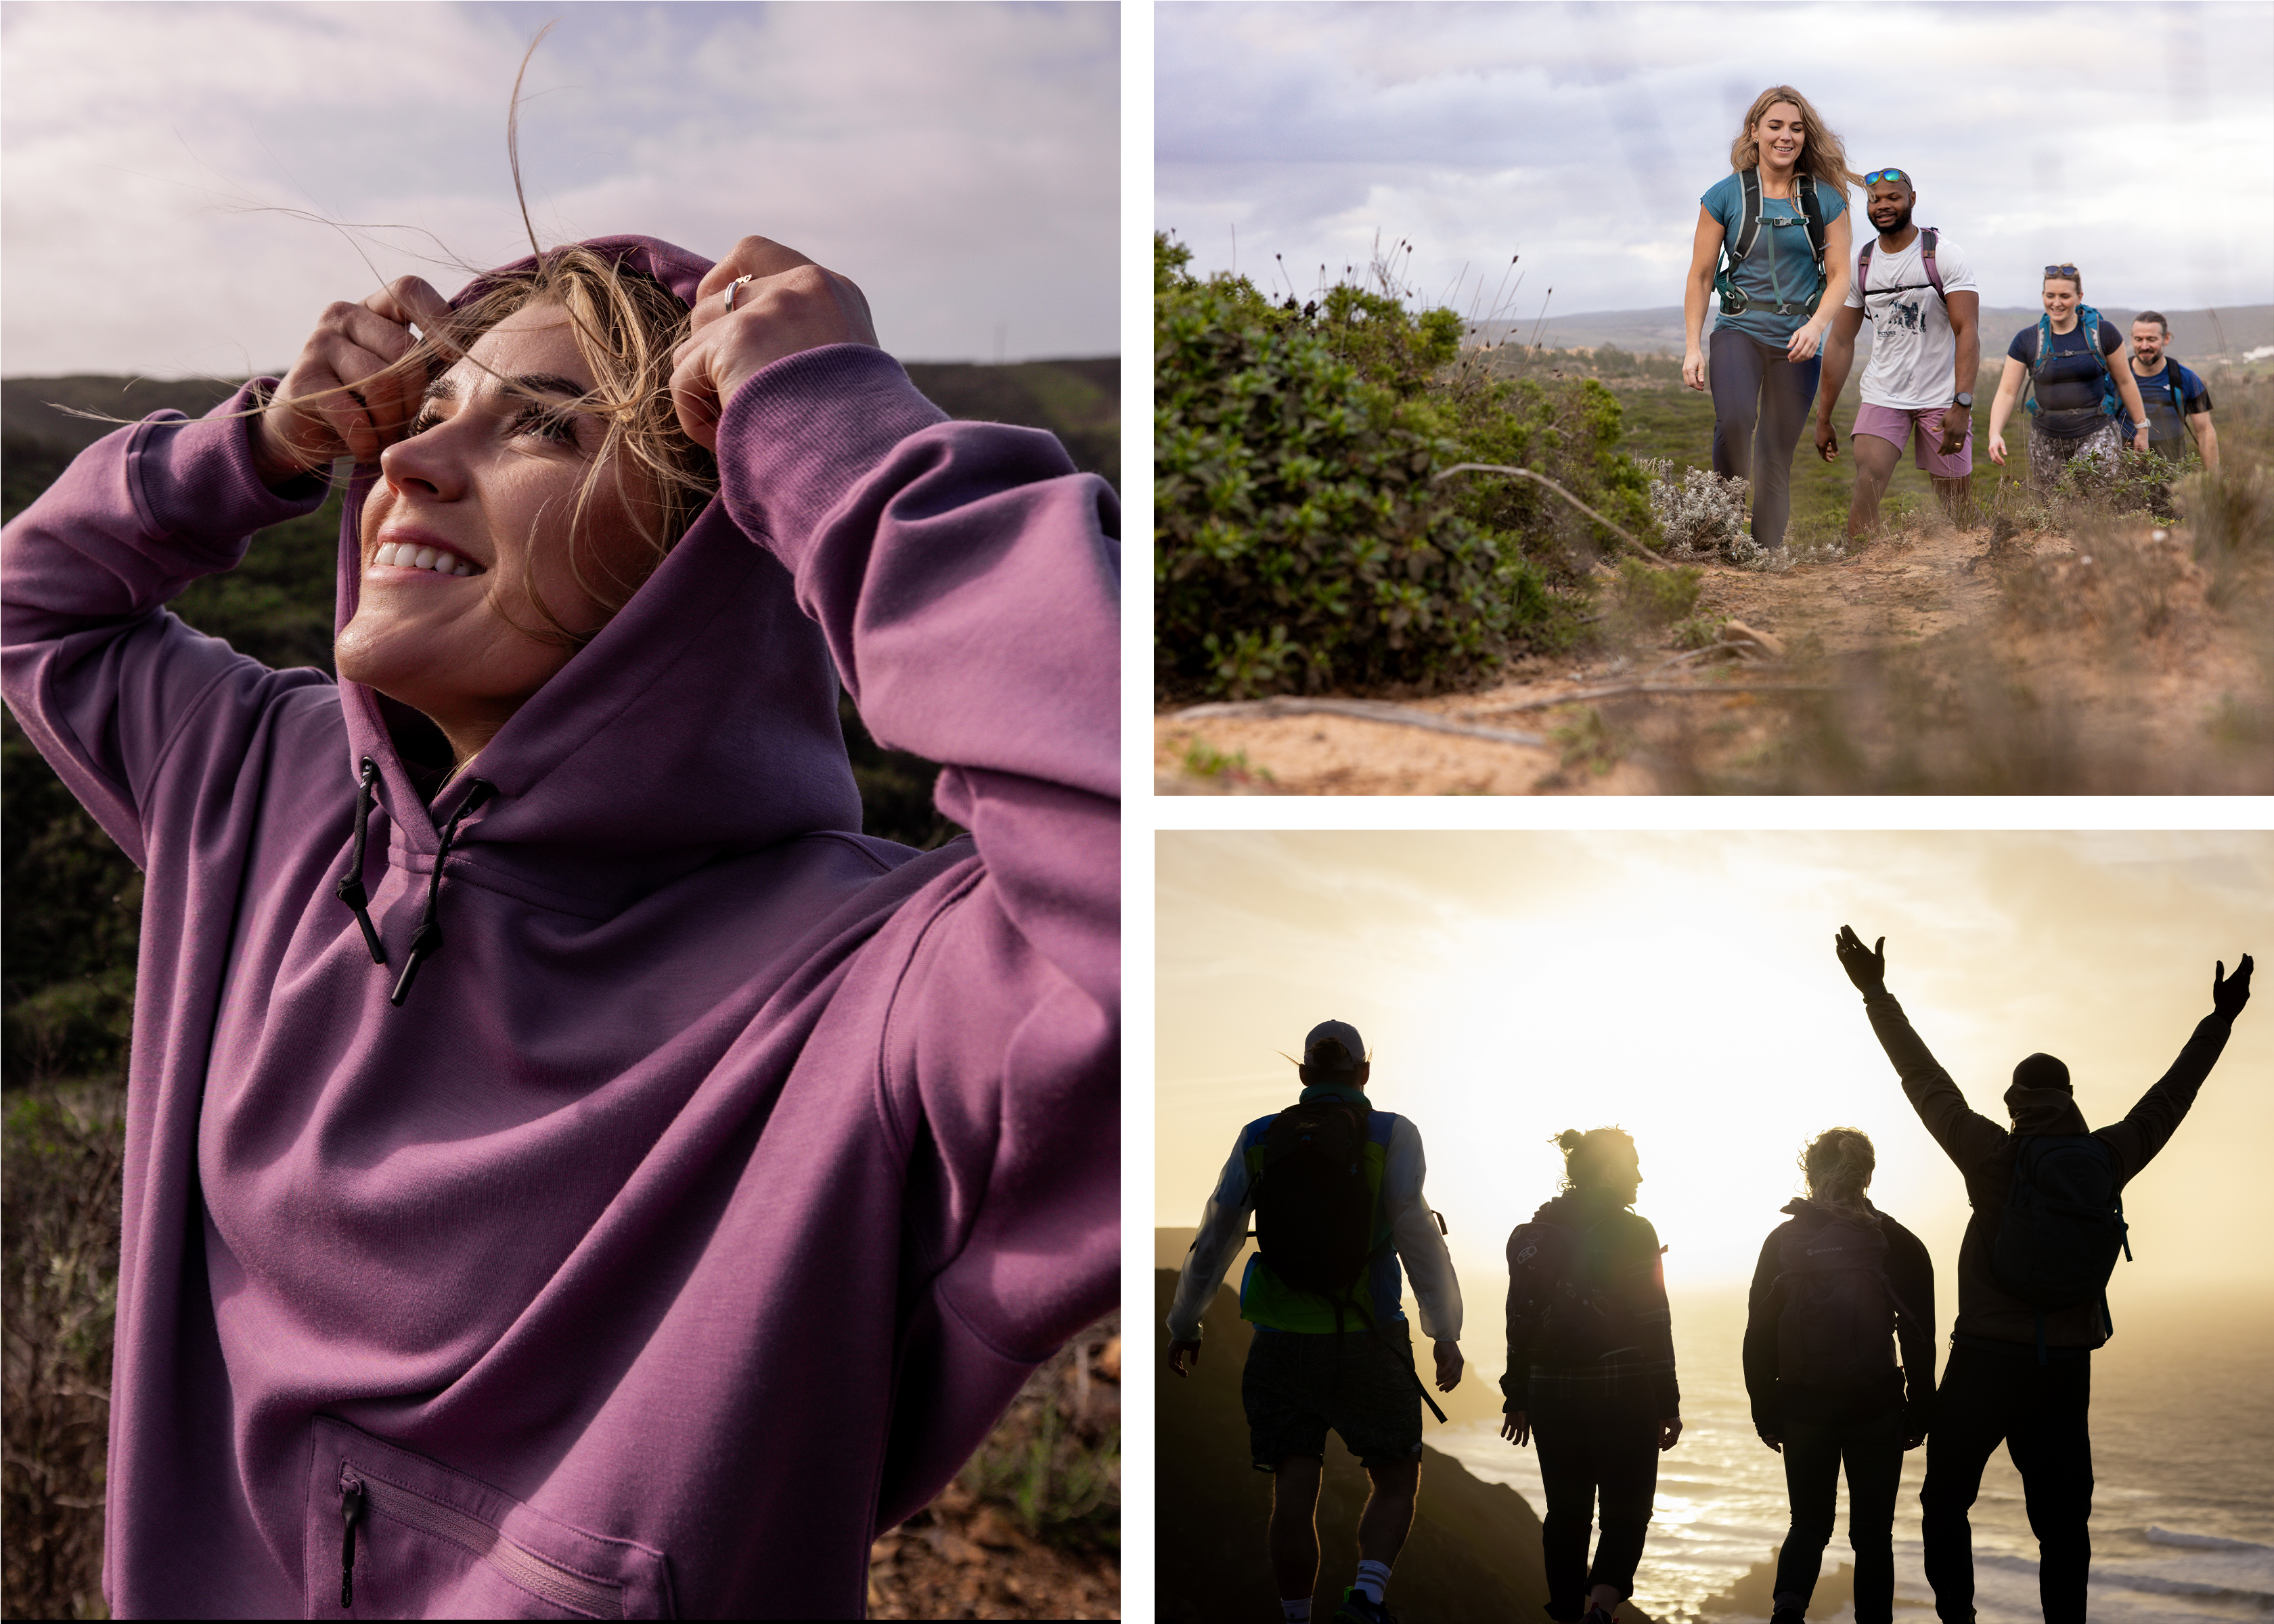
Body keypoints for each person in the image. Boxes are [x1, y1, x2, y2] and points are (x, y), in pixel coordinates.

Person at [0, 231, 1118, 1615]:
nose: (405, 463)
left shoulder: (875, 997)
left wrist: (840, 441)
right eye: (424, 412)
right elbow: (30, 607)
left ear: (703, 547)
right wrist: (258, 446)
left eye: (540, 430)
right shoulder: (263, 782)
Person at [1832, 927, 2253, 1624]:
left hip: (1986, 1360)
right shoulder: (2108, 1154)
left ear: (2016, 1100)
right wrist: (2219, 1020)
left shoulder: (1990, 1155)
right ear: (2069, 1097)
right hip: (2064, 1366)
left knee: (1945, 1501)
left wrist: (1875, 991)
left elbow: (1923, 1079)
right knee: (2062, 1525)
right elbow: (2171, 1097)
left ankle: (1959, 1619)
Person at [1165, 1021, 1465, 1624]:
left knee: (1295, 1490)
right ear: (1365, 1073)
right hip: (1368, 1333)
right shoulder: (1391, 1133)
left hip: (1279, 1339)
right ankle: (1367, 1598)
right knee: (1396, 1477)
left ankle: (1297, 1619)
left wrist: (1185, 1323)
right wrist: (1445, 1332)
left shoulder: (1260, 1136)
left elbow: (1216, 1236)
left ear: (1304, 1075)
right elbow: (1416, 1234)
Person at [1743, 1129, 1936, 1624]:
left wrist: (1765, 1409)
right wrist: (1920, 1409)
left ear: (1809, 1173)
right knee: (1873, 1536)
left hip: (1803, 1408)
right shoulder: (1898, 1242)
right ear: (1868, 1174)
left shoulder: (1783, 1243)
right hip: (1875, 1408)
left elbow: (1758, 1333)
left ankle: (1787, 1611)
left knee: (1807, 1524)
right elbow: (1919, 1336)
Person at [1501, 1127, 1682, 1624]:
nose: (1641, 1176)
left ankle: (1564, 1613)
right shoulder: (1633, 1230)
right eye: (1633, 1165)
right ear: (1608, 1170)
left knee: (1566, 1511)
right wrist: (1668, 1402)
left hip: (1549, 1390)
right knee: (1626, 1509)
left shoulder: (1533, 1234)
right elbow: (1653, 1321)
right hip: (1620, 1388)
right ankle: (1600, 1608)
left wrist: (1517, 1392)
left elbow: (1519, 1317)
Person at [1682, 85, 1858, 554]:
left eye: (1796, 129)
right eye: (1776, 126)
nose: (1786, 136)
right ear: (1754, 131)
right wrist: (1693, 347)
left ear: (1806, 136)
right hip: (1739, 331)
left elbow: (1841, 276)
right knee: (1737, 421)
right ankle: (1717, 528)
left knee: (1774, 455)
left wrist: (1817, 325)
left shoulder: (1826, 200)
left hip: (1799, 341)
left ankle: (1764, 555)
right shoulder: (1724, 196)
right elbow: (1701, 276)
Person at [1812, 168, 1982, 537]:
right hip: (1883, 394)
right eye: (1875, 200)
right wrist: (1823, 415)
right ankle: (1858, 570)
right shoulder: (1861, 265)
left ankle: (1977, 568)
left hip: (1942, 398)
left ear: (1912, 200)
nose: (1883, 206)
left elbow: (1966, 329)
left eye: (1893, 197)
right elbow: (1840, 342)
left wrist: (1962, 403)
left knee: (1957, 507)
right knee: (1867, 480)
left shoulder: (1944, 256)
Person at [1986, 265, 2150, 489]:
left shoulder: (2104, 333)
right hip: (2045, 437)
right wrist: (1995, 433)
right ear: (2043, 296)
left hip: (2097, 431)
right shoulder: (2027, 340)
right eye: (2050, 295)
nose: (2056, 303)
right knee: (2053, 512)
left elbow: (2125, 381)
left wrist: (2142, 429)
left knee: (2097, 504)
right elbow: (2007, 391)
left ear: (2079, 297)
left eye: (2065, 296)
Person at [2127, 312, 2221, 475]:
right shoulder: (2116, 377)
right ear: (2132, 339)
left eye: (2151, 339)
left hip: (2174, 473)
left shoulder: (2187, 379)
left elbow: (2205, 431)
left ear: (2166, 339)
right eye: (2138, 339)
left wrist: (2213, 479)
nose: (2144, 346)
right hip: (2124, 475)